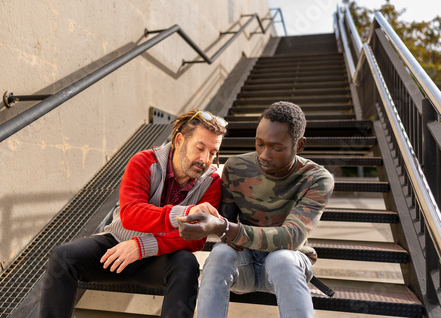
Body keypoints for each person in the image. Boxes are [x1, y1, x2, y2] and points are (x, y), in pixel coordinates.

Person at [39, 109, 228, 318]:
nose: (205, 159)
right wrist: (187, 213)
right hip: (117, 244)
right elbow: (131, 213)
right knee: (63, 257)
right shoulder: (144, 161)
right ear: (179, 140)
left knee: (187, 264)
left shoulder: (211, 182)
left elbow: (196, 240)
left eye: (212, 152)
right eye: (200, 148)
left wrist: (142, 247)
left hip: (160, 258)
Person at [178, 101, 334, 318]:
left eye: (276, 148)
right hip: (244, 265)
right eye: (259, 144)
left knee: (282, 259)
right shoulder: (235, 167)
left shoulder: (317, 178)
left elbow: (292, 237)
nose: (264, 154)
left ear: (299, 145)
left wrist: (224, 228)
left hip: (286, 268)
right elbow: (227, 229)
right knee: (220, 253)